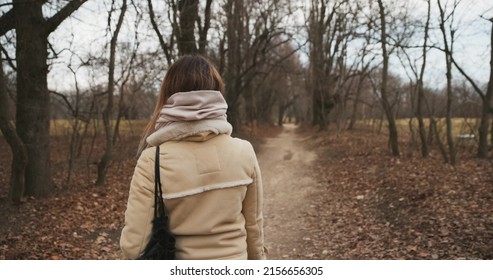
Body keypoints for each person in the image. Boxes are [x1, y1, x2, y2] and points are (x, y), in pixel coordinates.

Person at [120, 54, 267, 260]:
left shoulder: (153, 160)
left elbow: (134, 247)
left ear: (168, 95)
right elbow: (254, 228)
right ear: (216, 93)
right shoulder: (244, 151)